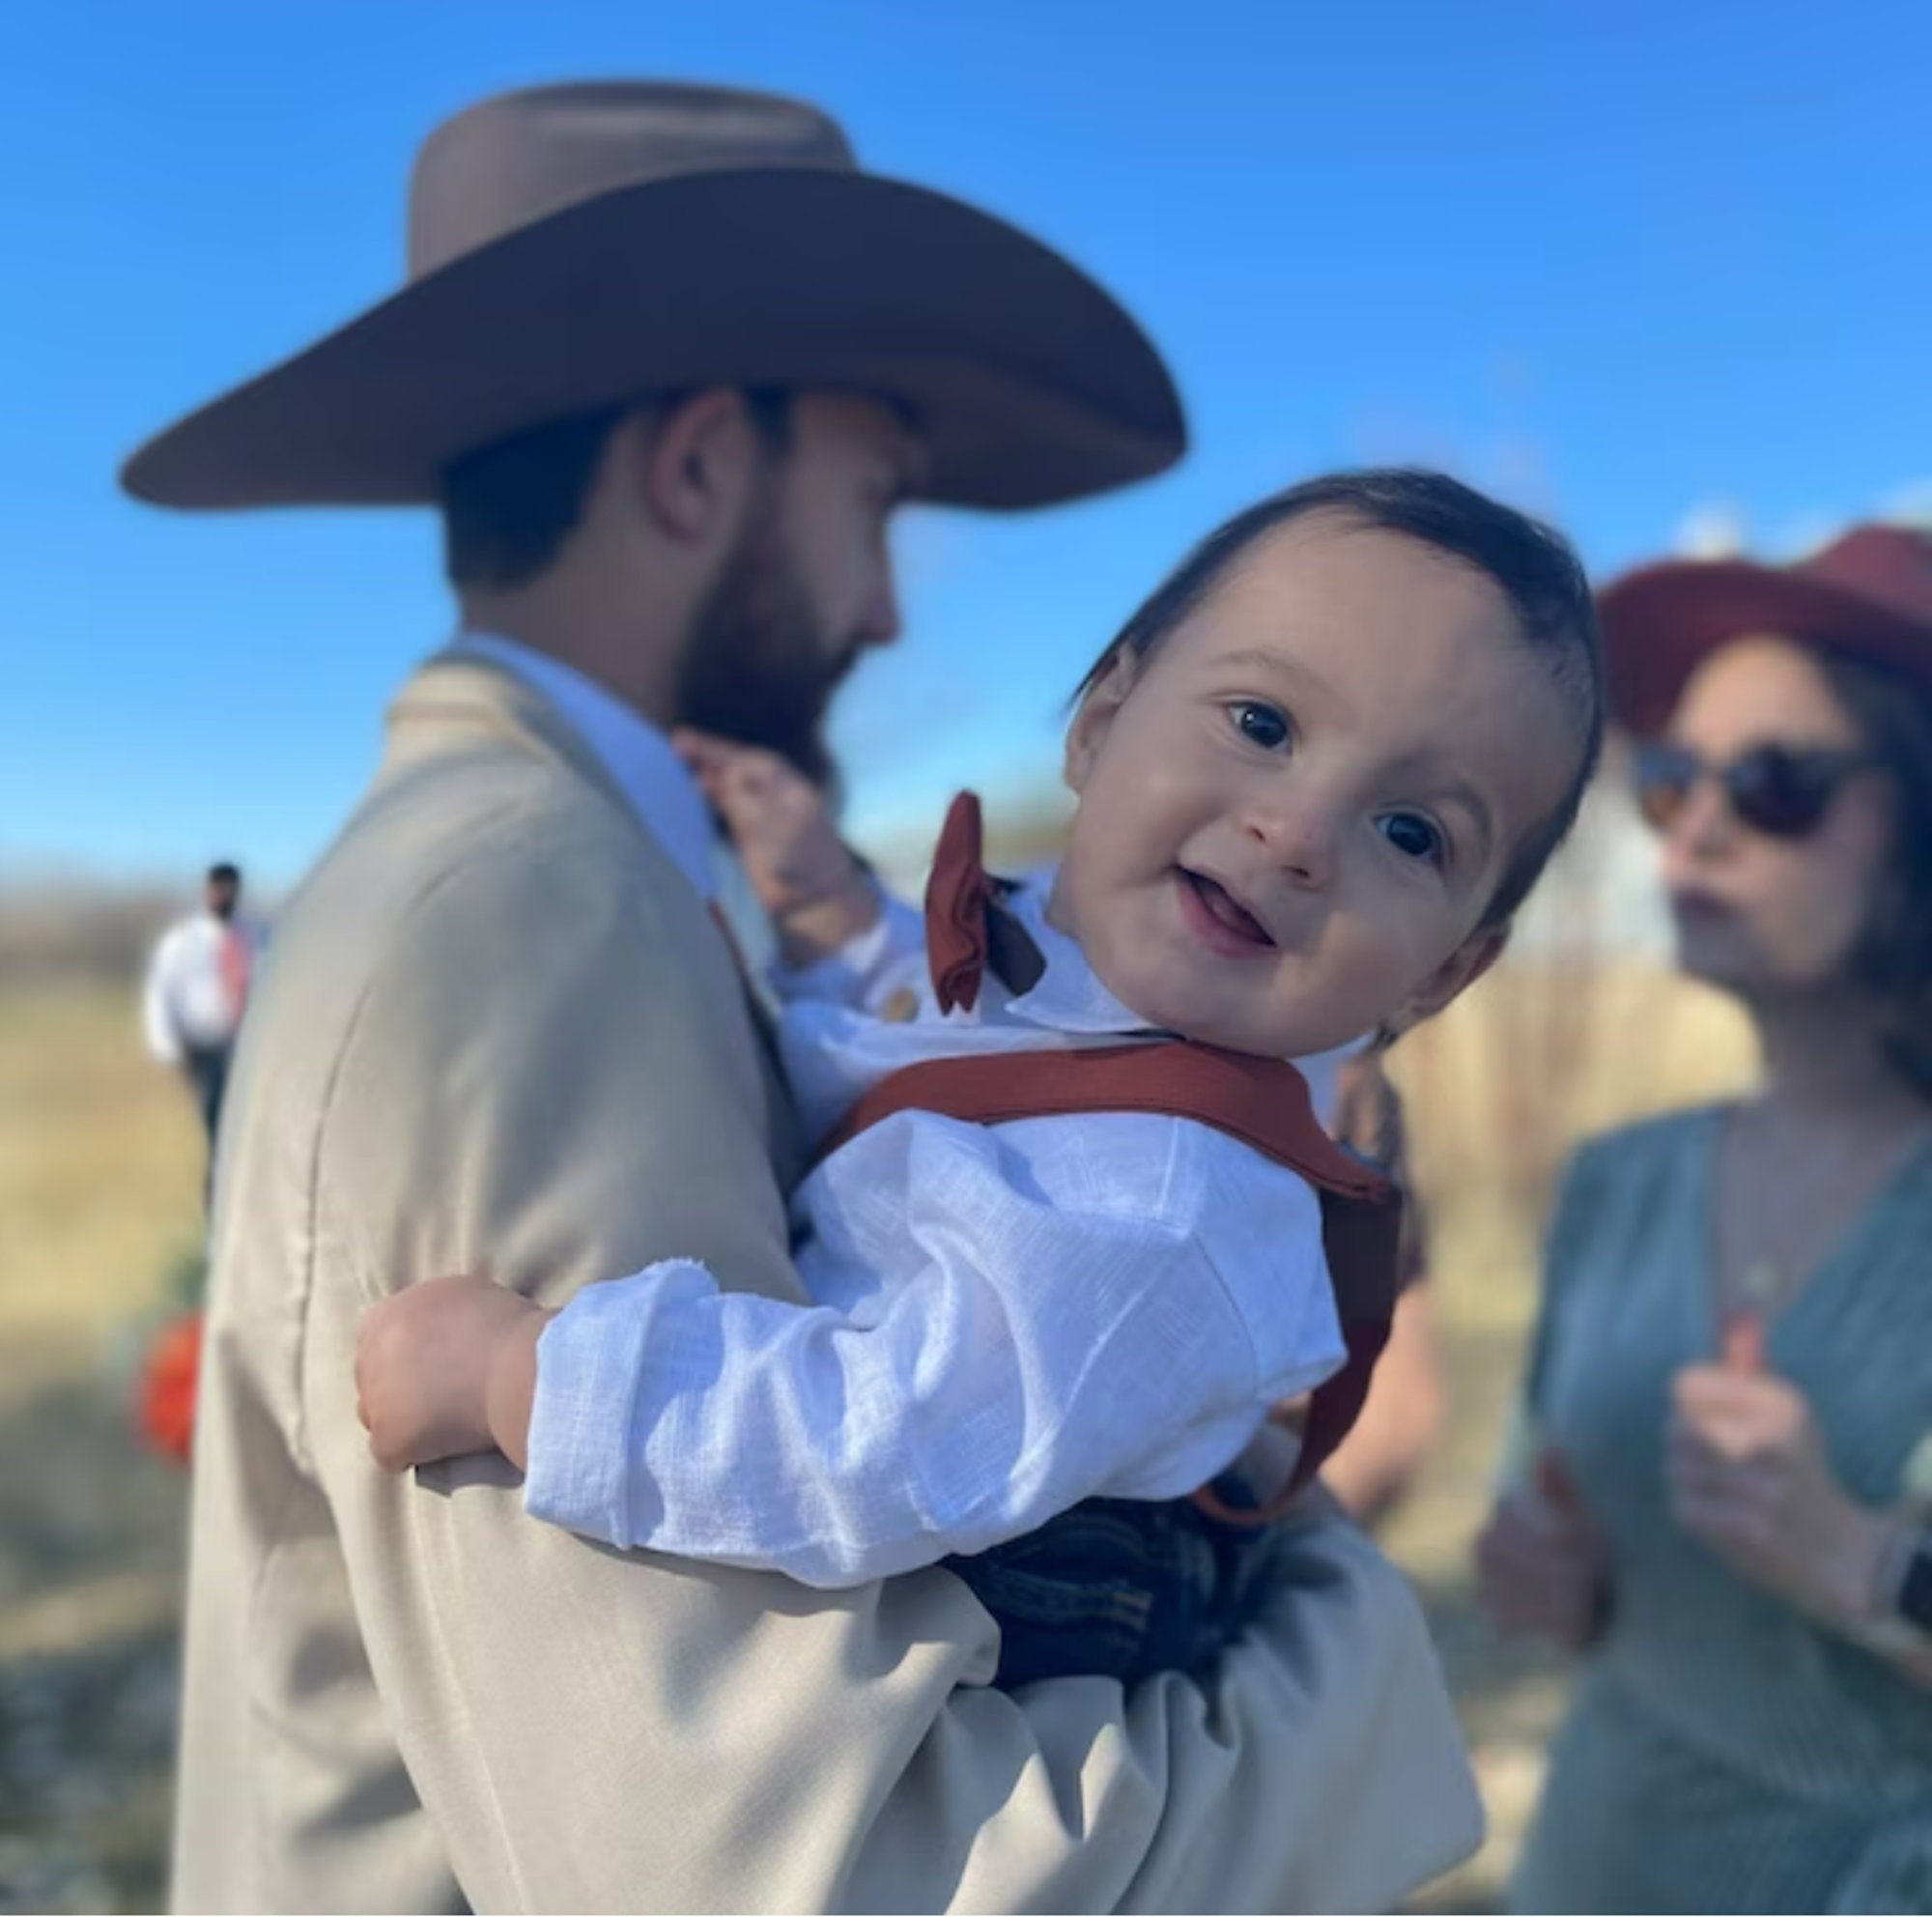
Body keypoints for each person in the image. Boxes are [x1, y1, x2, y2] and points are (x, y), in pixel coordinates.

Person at [128, 82, 1482, 1912]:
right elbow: (800, 1862)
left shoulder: (535, 866)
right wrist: (1359, 1668)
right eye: (874, 498)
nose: (888, 607)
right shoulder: (531, 909)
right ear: (699, 469)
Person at [355, 468, 1605, 1694]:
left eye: (1410, 832)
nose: (1301, 833)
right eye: (1264, 725)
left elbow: (876, 1444)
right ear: (1103, 720)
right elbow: (961, 1048)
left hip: (1006, 1572)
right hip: (921, 1458)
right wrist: (837, 916)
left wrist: (529, 1379)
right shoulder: (1080, 981)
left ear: (1444, 971)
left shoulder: (1162, 1210)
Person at [1476, 524, 1932, 1913]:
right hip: (1592, 1860)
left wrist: (1861, 1563)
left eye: (1776, 781)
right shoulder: (1621, 1179)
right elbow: (1552, 1569)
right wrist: (1541, 1578)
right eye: (1670, 783)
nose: (1702, 825)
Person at [140, 861, 262, 1154]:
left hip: (245, 1044)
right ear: (206, 892)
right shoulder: (182, 941)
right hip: (204, 1044)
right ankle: (217, 1188)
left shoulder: (255, 937)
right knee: (217, 1121)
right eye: (217, 889)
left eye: (230, 889)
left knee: (247, 1120)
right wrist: (168, 1047)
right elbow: (161, 994)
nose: (224, 895)